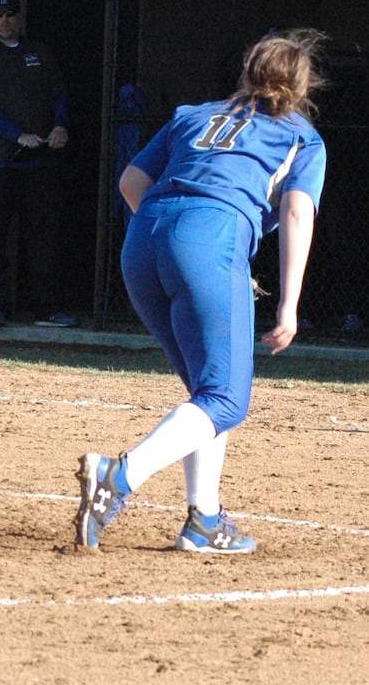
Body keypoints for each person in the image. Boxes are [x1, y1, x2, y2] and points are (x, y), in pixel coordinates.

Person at [75, 28, 327, 554]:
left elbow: (130, 183)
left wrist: (174, 241)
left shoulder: (193, 114)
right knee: (226, 398)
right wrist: (288, 303)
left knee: (208, 391)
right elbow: (298, 211)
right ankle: (118, 476)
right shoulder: (302, 136)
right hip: (209, 239)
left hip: (143, 242)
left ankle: (204, 521)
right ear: (301, 88)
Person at [0, 0, 76, 328]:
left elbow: (59, 92)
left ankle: (45, 309)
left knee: (43, 237)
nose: (4, 20)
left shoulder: (38, 52)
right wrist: (15, 135)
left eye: (10, 14)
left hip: (39, 162)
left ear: (18, 16)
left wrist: (60, 126)